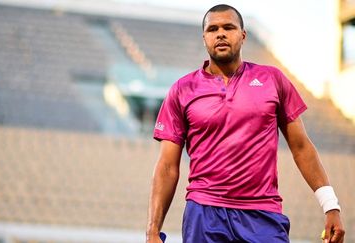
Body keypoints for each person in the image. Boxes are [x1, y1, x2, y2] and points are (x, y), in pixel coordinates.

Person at [146, 4, 345, 243]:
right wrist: (153, 229)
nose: (220, 33)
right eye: (213, 29)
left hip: (263, 214)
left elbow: (301, 147)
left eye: (228, 27)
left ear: (242, 35)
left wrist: (330, 205)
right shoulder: (182, 89)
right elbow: (167, 166)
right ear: (204, 38)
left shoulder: (273, 79)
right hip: (204, 212)